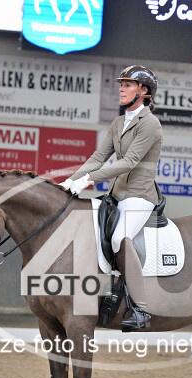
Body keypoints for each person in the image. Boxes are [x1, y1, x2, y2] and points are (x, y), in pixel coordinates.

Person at [58, 65, 162, 330]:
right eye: (121, 84)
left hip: (139, 196)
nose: (121, 89)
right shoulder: (118, 123)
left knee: (119, 238)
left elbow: (129, 162)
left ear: (143, 90)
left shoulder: (150, 124)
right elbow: (98, 157)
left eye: (127, 85)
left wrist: (89, 180)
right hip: (115, 195)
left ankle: (140, 308)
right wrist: (70, 181)